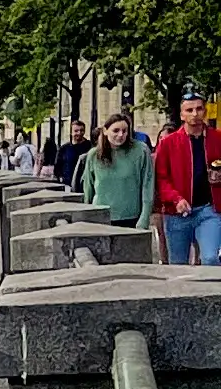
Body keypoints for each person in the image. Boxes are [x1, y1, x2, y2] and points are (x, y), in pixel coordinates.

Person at [157, 89, 221, 265]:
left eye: (199, 109)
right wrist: (175, 199)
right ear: (182, 114)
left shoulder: (217, 138)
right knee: (178, 265)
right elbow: (162, 179)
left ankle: (214, 292)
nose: (195, 114)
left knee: (210, 258)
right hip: (177, 213)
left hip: (210, 210)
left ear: (205, 111)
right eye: (189, 110)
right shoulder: (168, 143)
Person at [83, 107, 155, 230]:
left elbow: (148, 186)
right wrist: (86, 216)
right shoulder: (94, 155)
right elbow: (88, 189)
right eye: (116, 130)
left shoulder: (140, 151)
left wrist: (145, 217)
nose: (120, 135)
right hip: (100, 217)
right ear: (105, 131)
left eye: (124, 131)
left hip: (131, 217)